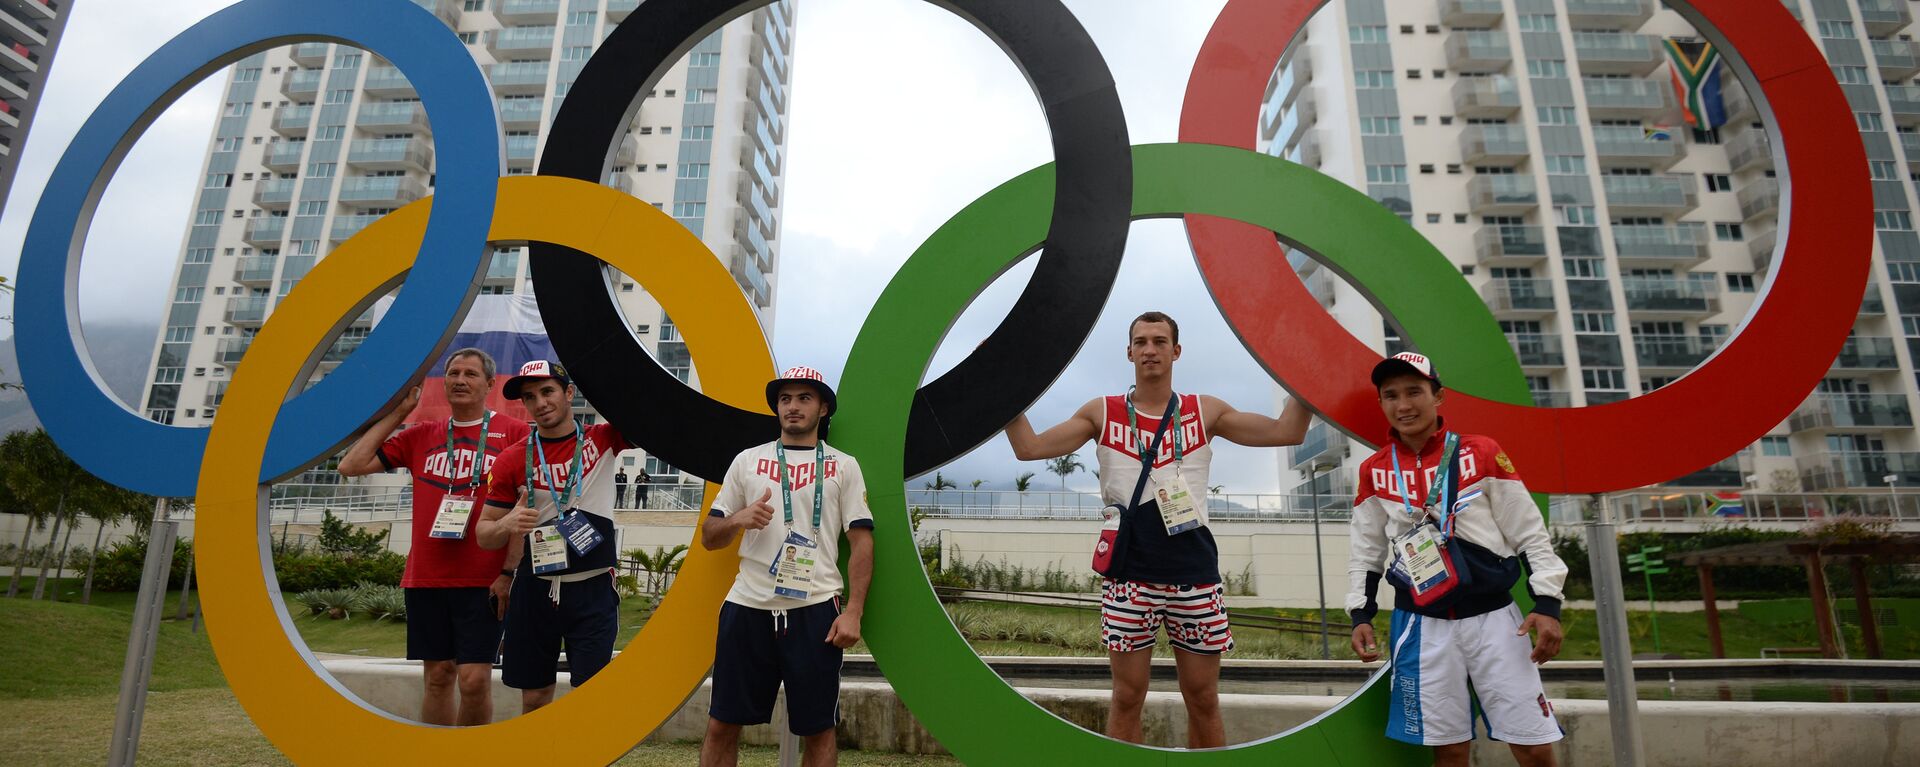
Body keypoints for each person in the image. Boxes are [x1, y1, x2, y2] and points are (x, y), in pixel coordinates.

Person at [1004, 311, 1309, 748]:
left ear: (1176, 351)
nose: (1150, 349)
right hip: (1129, 577)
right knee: (1128, 697)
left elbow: (1288, 431)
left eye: (1160, 341)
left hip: (1195, 576)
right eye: (1142, 341)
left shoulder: (1205, 411)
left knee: (1203, 698)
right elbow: (1028, 448)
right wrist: (1000, 386)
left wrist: (1309, 370)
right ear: (1129, 352)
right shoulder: (1102, 412)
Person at [1346, 352, 1568, 767]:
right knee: (1448, 751)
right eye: (1390, 395)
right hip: (1421, 625)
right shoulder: (1373, 470)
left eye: (1415, 391)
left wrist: (1548, 604)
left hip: (1496, 620)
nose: (1404, 405)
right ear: (1382, 405)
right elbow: (1366, 551)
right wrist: (1360, 615)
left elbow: (1529, 533)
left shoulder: (1481, 452)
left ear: (1439, 396)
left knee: (1534, 747)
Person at [338, 347, 529, 726]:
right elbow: (351, 464)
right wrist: (399, 413)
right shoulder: (421, 435)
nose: (460, 380)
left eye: (471, 374)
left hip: (485, 579)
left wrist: (509, 573)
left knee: (474, 681)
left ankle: (469, 757)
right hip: (427, 576)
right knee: (438, 677)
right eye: (453, 373)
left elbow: (524, 509)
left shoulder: (516, 433)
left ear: (490, 384)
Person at [699, 366, 874, 767]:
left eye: (804, 399)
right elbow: (711, 536)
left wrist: (853, 612)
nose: (792, 407)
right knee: (721, 724)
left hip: (815, 610)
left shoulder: (843, 465)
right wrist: (736, 520)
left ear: (823, 408)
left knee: (818, 729)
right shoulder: (748, 460)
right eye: (785, 399)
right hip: (748, 607)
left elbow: (861, 542)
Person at [476, 360, 632, 713]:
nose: (540, 403)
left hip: (593, 588)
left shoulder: (604, 438)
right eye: (530, 397)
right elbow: (484, 535)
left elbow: (642, 406)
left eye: (548, 392)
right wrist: (507, 524)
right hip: (535, 588)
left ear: (569, 393)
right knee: (533, 698)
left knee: (590, 698)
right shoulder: (512, 458)